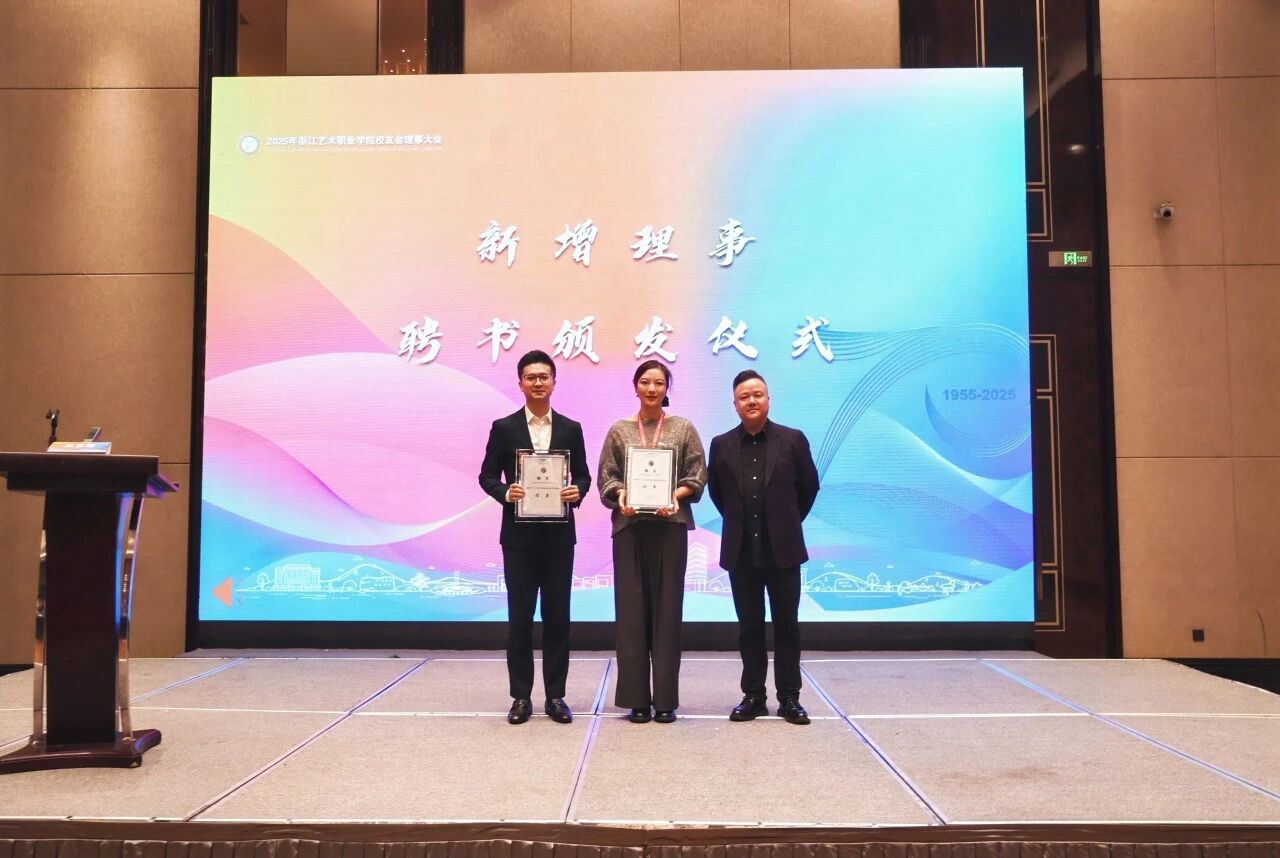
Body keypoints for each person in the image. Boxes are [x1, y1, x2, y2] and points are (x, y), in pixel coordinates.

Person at [479, 349, 592, 725]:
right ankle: (521, 697)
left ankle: (556, 696)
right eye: (531, 377)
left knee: (558, 618)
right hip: (519, 539)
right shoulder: (504, 427)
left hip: (559, 538)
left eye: (544, 376)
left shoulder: (571, 428)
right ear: (521, 383)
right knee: (520, 619)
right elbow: (487, 475)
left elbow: (583, 474)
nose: (538, 382)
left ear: (554, 382)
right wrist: (504, 492)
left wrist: (577, 490)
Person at [707, 370, 820, 725]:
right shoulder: (721, 444)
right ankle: (753, 695)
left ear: (768, 399)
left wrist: (787, 522)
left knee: (787, 626)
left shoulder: (793, 440)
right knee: (749, 627)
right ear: (735, 404)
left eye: (757, 394)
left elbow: (809, 487)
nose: (752, 401)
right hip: (741, 552)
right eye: (744, 396)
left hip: (783, 551)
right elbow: (718, 494)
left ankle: (789, 697)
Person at [597, 360, 706, 724]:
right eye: (645, 382)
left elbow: (697, 475)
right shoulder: (619, 430)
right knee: (631, 616)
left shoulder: (683, 428)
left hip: (670, 527)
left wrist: (675, 495)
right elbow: (607, 478)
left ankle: (665, 701)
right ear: (635, 386)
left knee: (667, 614)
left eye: (658, 383)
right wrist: (622, 495)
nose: (651, 389)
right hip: (629, 528)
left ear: (666, 388)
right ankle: (637, 700)